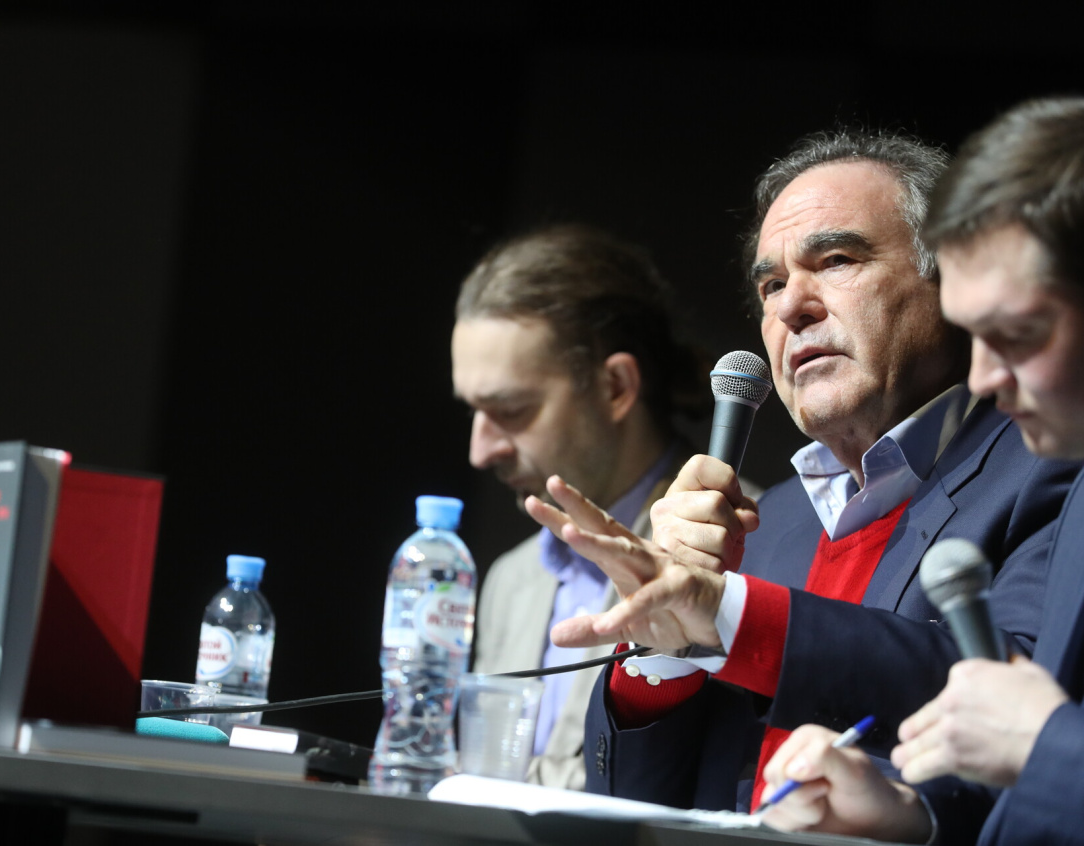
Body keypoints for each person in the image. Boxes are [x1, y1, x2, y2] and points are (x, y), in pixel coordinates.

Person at [525, 130, 1080, 812]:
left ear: (952, 282)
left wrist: (729, 614)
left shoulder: (1047, 469)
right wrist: (663, 646)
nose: (791, 306)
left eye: (837, 260)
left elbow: (1022, 708)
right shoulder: (762, 523)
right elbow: (634, 805)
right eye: (772, 284)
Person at [761, 97, 1084, 846]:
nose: (987, 376)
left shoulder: (1043, 475)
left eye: (1019, 333)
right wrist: (915, 816)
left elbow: (1034, 736)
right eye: (769, 285)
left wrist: (1048, 751)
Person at [451, 223, 712, 788]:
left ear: (615, 387)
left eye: (510, 410)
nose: (480, 450)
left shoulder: (737, 544)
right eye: (473, 411)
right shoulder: (510, 579)